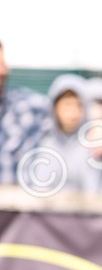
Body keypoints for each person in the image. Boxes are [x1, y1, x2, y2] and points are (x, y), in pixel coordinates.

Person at [0, 39, 52, 185]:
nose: (3, 71)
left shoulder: (28, 107)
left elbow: (69, 111)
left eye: (3, 64)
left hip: (21, 197)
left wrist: (94, 127)